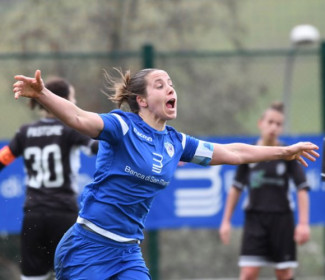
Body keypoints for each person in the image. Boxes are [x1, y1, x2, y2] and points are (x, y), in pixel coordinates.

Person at [12, 69, 318, 280]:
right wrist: (43, 95)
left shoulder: (176, 142)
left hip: (127, 251)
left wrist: (283, 151)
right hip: (87, 247)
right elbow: (78, 117)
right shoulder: (122, 126)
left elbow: (234, 153)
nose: (170, 88)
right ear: (142, 100)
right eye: (160, 84)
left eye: (171, 83)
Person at [1, 77, 98, 280]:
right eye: (72, 98)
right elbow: (96, 148)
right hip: (63, 214)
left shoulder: (25, 132)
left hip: (33, 216)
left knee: (32, 277)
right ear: (60, 101)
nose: (75, 103)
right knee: (73, 275)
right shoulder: (71, 129)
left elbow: (3, 159)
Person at [219, 102, 311, 280]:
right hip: (255, 219)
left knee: (283, 273)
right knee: (248, 273)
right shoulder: (249, 154)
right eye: (270, 122)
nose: (274, 127)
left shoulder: (289, 154)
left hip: (282, 220)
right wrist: (226, 221)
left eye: (278, 124)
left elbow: (302, 188)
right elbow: (236, 188)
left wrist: (304, 224)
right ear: (260, 123)